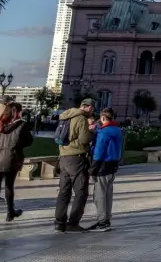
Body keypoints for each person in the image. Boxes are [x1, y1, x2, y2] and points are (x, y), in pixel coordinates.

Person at [0, 102, 31, 228]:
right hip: (12, 159)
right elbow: (29, 141)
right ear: (17, 112)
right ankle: (10, 212)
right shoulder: (22, 125)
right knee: (9, 186)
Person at [54, 98, 95, 233]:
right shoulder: (81, 119)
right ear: (89, 107)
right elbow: (84, 139)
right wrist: (91, 131)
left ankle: (59, 222)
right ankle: (73, 223)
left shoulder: (67, 115)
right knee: (81, 192)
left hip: (63, 157)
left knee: (64, 191)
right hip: (76, 158)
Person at [87, 108, 122, 232]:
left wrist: (93, 170)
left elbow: (98, 152)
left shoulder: (103, 132)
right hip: (113, 165)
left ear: (102, 118)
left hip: (102, 166)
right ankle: (107, 219)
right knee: (108, 194)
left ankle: (102, 221)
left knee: (99, 196)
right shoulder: (117, 130)